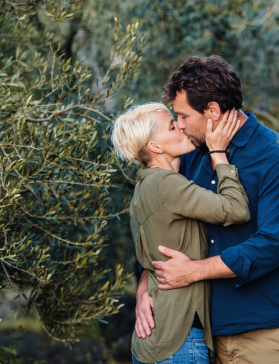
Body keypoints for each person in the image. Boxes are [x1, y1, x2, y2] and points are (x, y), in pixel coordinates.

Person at [135, 56, 279, 364]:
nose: (179, 125)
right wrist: (144, 288)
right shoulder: (191, 157)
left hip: (265, 332)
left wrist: (192, 271)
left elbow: (271, 245)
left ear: (213, 111)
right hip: (204, 335)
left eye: (183, 115)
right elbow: (159, 225)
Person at [111, 102, 250, 364]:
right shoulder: (166, 183)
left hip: (155, 338)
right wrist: (218, 153)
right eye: (172, 126)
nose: (182, 127)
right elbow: (236, 210)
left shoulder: (145, 186)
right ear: (155, 147)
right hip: (180, 340)